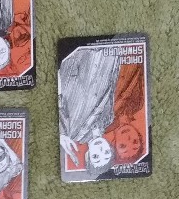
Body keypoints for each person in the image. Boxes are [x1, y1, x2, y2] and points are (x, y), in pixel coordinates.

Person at [59, 49, 146, 178]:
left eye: (95, 156)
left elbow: (59, 102)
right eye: (106, 153)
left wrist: (61, 135)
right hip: (106, 57)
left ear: (87, 155)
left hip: (78, 57)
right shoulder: (109, 119)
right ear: (110, 147)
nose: (100, 150)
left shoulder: (72, 133)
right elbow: (111, 86)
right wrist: (115, 57)